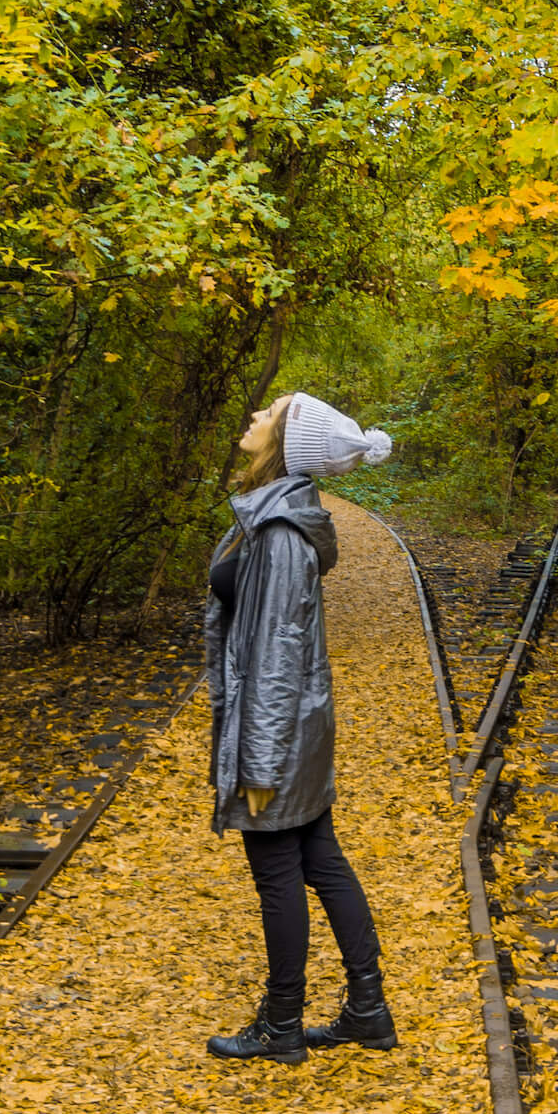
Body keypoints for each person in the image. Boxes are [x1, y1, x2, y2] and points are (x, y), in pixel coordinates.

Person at [203, 392, 397, 1065]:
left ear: (286, 440)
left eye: (268, 413)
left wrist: (258, 764)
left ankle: (282, 1024)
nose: (252, 417)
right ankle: (366, 1009)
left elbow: (277, 656)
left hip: (279, 733)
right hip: (295, 728)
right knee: (319, 857)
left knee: (277, 867)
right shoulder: (272, 514)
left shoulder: (281, 531)